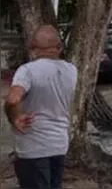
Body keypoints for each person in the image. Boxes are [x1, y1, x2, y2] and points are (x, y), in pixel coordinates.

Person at [3, 25, 77, 189]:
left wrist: (15, 118)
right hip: (59, 144)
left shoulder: (27, 71)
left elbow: (13, 99)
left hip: (33, 147)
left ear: (32, 47)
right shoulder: (71, 71)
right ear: (59, 48)